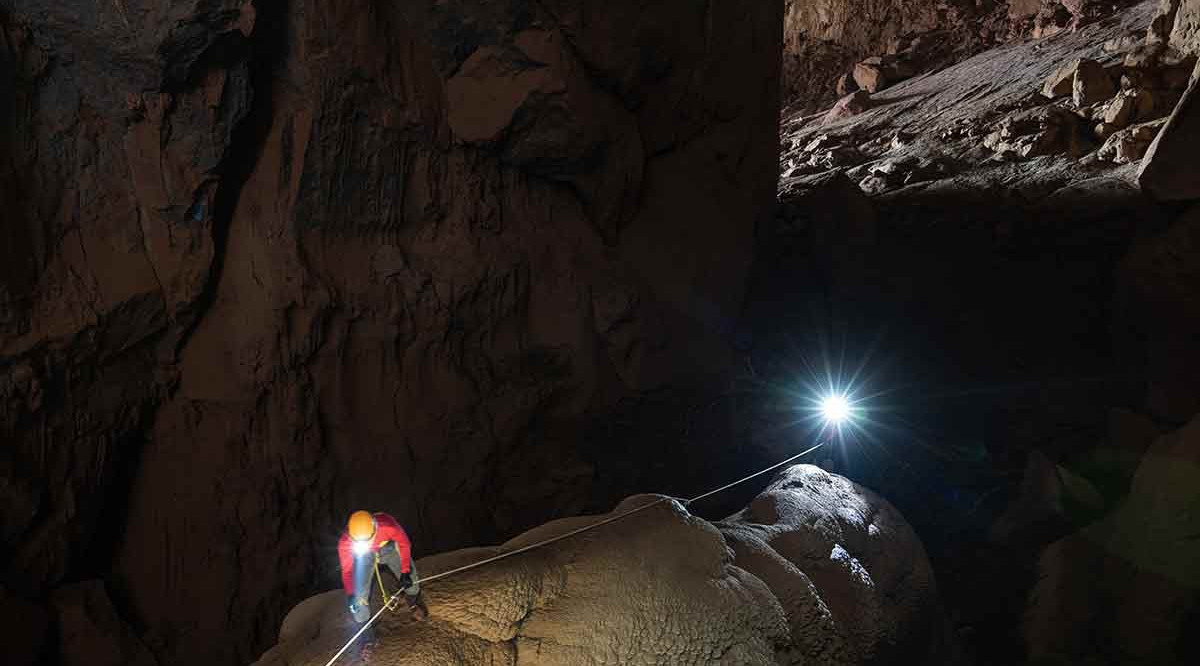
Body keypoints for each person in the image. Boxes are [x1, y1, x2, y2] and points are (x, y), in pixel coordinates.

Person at [337, 510, 427, 622]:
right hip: (365, 557)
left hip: (389, 549)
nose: (365, 544)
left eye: (368, 540)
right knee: (358, 603)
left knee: (412, 583)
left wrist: (405, 571)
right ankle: (364, 626)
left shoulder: (387, 526)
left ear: (375, 529)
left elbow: (404, 544)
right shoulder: (345, 542)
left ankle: (413, 603)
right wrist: (351, 594)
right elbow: (347, 571)